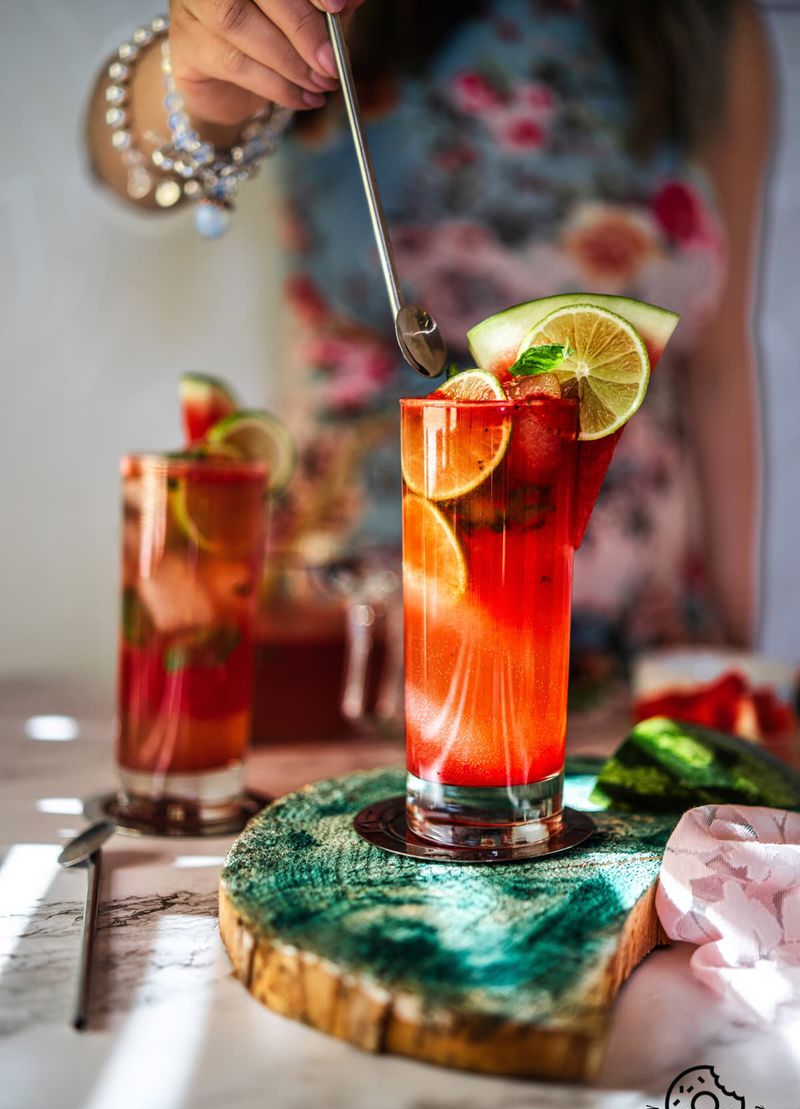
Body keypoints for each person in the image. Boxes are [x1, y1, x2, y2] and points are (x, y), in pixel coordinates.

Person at [86, 0, 773, 683]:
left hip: (634, 637)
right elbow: (130, 161)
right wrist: (189, 78)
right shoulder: (341, 11)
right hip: (358, 630)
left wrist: (736, 652)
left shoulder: (715, 26)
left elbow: (715, 363)